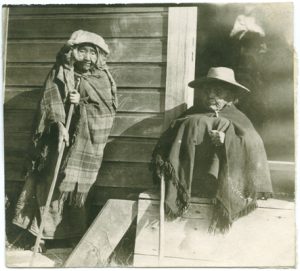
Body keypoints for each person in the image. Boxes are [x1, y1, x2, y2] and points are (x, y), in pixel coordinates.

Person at [13, 30, 117, 250]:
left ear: (99, 56)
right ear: (72, 52)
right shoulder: (59, 73)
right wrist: (59, 123)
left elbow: (107, 110)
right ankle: (41, 235)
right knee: (49, 184)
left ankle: (72, 236)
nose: (88, 57)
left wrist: (81, 102)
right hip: (56, 142)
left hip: (83, 146)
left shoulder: (103, 78)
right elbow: (47, 102)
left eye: (92, 52)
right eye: (83, 51)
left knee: (73, 189)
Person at [151, 67, 273, 232]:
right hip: (192, 181)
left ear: (230, 96)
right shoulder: (192, 113)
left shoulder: (238, 118)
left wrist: (227, 140)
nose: (210, 96)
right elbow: (170, 140)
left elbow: (252, 143)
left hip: (221, 184)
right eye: (207, 91)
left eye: (218, 91)